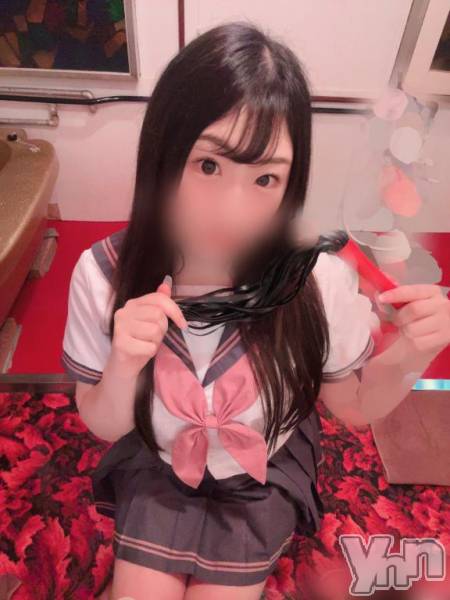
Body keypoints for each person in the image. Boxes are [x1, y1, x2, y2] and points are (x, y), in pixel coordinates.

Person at [61, 21, 450, 600]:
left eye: (265, 177)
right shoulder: (103, 275)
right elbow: (104, 423)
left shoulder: (315, 281)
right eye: (209, 166)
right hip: (160, 468)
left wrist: (413, 354)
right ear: (164, 154)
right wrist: (123, 363)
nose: (234, 210)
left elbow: (354, 405)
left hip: (258, 476)